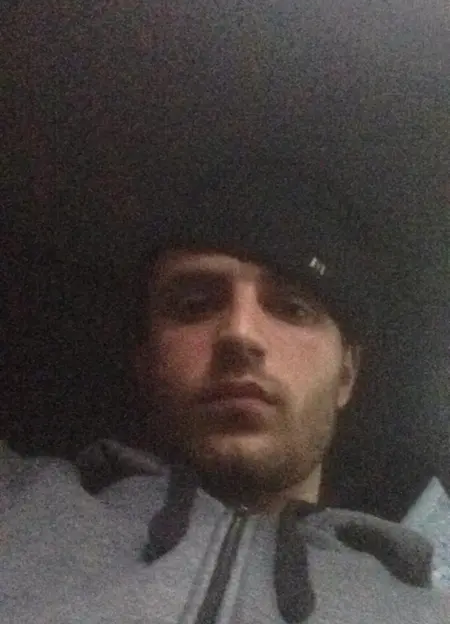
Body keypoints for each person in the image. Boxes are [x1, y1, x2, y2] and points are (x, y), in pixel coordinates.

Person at [2, 172, 450, 624]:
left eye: (293, 308)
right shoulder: (19, 509)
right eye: (195, 305)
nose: (240, 333)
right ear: (146, 359)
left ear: (346, 374)